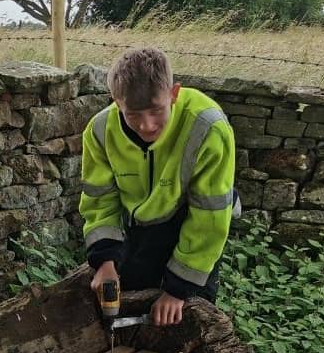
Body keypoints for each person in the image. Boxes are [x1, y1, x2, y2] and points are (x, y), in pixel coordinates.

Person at [80, 48, 238, 327]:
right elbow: (99, 201)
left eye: (156, 111)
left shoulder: (208, 127)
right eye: (133, 115)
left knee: (188, 317)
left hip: (192, 216)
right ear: (116, 102)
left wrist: (178, 290)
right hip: (140, 224)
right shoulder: (100, 130)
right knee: (134, 307)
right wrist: (104, 262)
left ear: (174, 93)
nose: (147, 125)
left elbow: (209, 218)